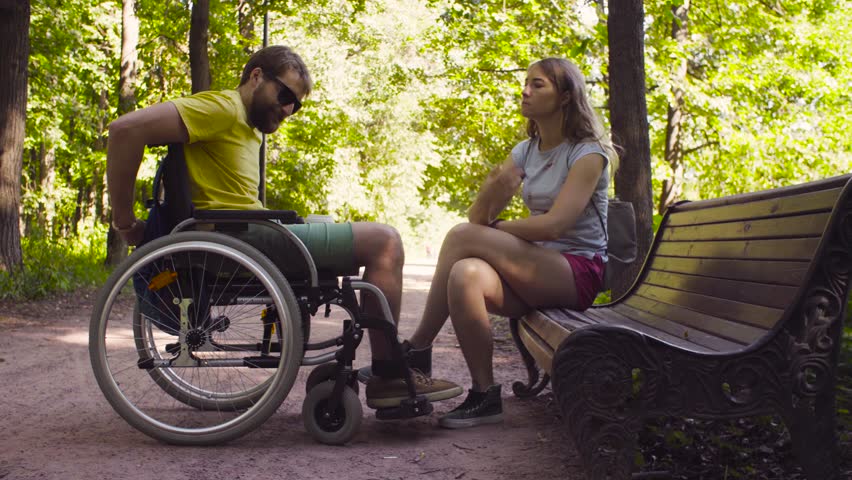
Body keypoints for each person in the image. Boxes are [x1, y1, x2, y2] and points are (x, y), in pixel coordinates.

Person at [105, 45, 462, 410]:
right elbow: (124, 130)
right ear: (256, 76)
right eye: (286, 95)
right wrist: (125, 222)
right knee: (384, 241)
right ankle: (388, 375)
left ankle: (385, 367)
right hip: (237, 241)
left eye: (297, 104)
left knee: (358, 234)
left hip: (248, 235)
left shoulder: (246, 125)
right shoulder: (222, 108)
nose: (289, 109)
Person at [406, 57, 616, 429]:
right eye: (525, 83)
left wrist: (499, 226)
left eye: (538, 84)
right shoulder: (526, 151)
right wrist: (495, 187)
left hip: (577, 271)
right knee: (465, 274)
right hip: (537, 269)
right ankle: (485, 395)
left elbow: (556, 226)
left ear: (566, 96)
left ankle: (416, 349)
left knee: (460, 237)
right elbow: (477, 219)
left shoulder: (588, 153)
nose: (525, 90)